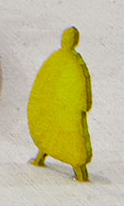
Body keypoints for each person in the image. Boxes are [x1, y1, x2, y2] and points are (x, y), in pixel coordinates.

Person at [26, 25, 93, 180]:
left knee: (71, 137)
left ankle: (78, 169)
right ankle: (43, 155)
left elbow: (79, 87)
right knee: (52, 132)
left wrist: (83, 104)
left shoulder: (68, 62)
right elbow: (43, 85)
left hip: (66, 109)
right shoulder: (61, 61)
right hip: (56, 108)